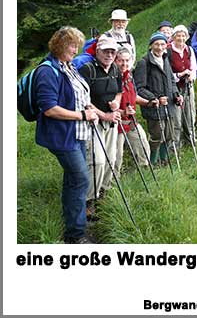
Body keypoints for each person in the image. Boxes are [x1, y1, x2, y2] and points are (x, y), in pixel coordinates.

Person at [34, 26, 99, 243]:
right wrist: (82, 115)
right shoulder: (47, 70)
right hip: (63, 135)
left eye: (77, 45)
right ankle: (76, 235)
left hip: (77, 134)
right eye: (72, 45)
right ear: (60, 44)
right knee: (81, 179)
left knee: (73, 179)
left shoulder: (68, 66)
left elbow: (78, 94)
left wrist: (90, 108)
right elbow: (50, 108)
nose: (76, 49)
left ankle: (71, 219)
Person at [78, 35, 122, 212]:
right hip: (94, 122)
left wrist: (116, 103)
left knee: (111, 159)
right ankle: (88, 199)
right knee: (97, 161)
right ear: (97, 51)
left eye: (112, 51)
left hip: (111, 121)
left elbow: (119, 92)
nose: (109, 55)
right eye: (106, 51)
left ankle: (103, 192)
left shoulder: (115, 70)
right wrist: (104, 115)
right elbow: (84, 101)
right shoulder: (88, 70)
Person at [134, 32, 183, 165]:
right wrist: (155, 98)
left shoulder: (166, 60)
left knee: (168, 135)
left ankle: (164, 160)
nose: (160, 47)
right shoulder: (144, 63)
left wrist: (177, 95)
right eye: (156, 44)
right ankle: (153, 162)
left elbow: (172, 82)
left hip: (170, 105)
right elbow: (140, 88)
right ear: (151, 46)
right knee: (156, 136)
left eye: (162, 44)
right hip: (154, 107)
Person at [114, 48, 151, 178]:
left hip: (131, 121)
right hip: (116, 124)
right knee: (116, 156)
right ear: (115, 61)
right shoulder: (111, 78)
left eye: (127, 60)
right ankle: (112, 183)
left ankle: (144, 173)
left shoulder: (129, 76)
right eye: (121, 61)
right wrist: (123, 111)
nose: (124, 64)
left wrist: (149, 102)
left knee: (143, 145)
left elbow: (134, 97)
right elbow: (105, 107)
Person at [167, 25, 197, 148]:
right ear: (173, 37)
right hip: (174, 88)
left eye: (183, 35)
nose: (181, 38)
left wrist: (192, 76)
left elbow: (194, 68)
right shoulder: (168, 51)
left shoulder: (189, 50)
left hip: (188, 86)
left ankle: (191, 138)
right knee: (176, 116)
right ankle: (175, 144)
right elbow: (167, 72)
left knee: (190, 113)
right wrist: (179, 75)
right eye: (178, 35)